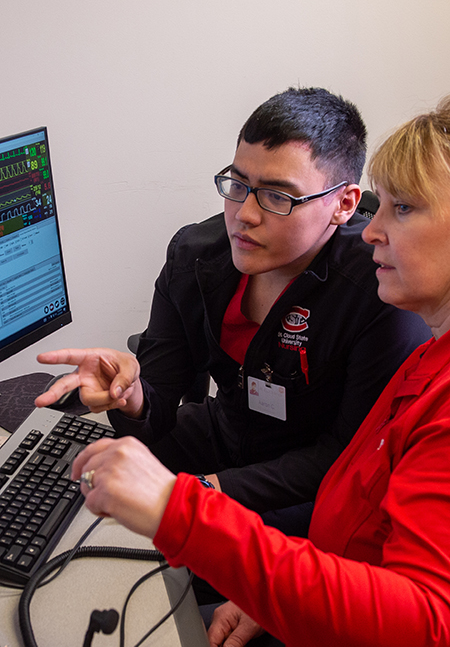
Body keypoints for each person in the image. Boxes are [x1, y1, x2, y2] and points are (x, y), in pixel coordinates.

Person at [71, 96, 450, 647]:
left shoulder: (382, 309)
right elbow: (359, 508)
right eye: (238, 186)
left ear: (338, 203)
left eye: (403, 209)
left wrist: (189, 507)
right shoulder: (430, 356)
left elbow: (419, 621)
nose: (373, 233)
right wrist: (268, 604)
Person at [35, 87, 429, 531]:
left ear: (344, 204)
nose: (244, 214)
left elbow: (345, 455)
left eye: (278, 197)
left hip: (310, 486)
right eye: (238, 184)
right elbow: (160, 400)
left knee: (159, 554)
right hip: (225, 432)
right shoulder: (194, 256)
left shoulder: (379, 287)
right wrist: (130, 393)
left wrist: (202, 494)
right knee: (79, 487)